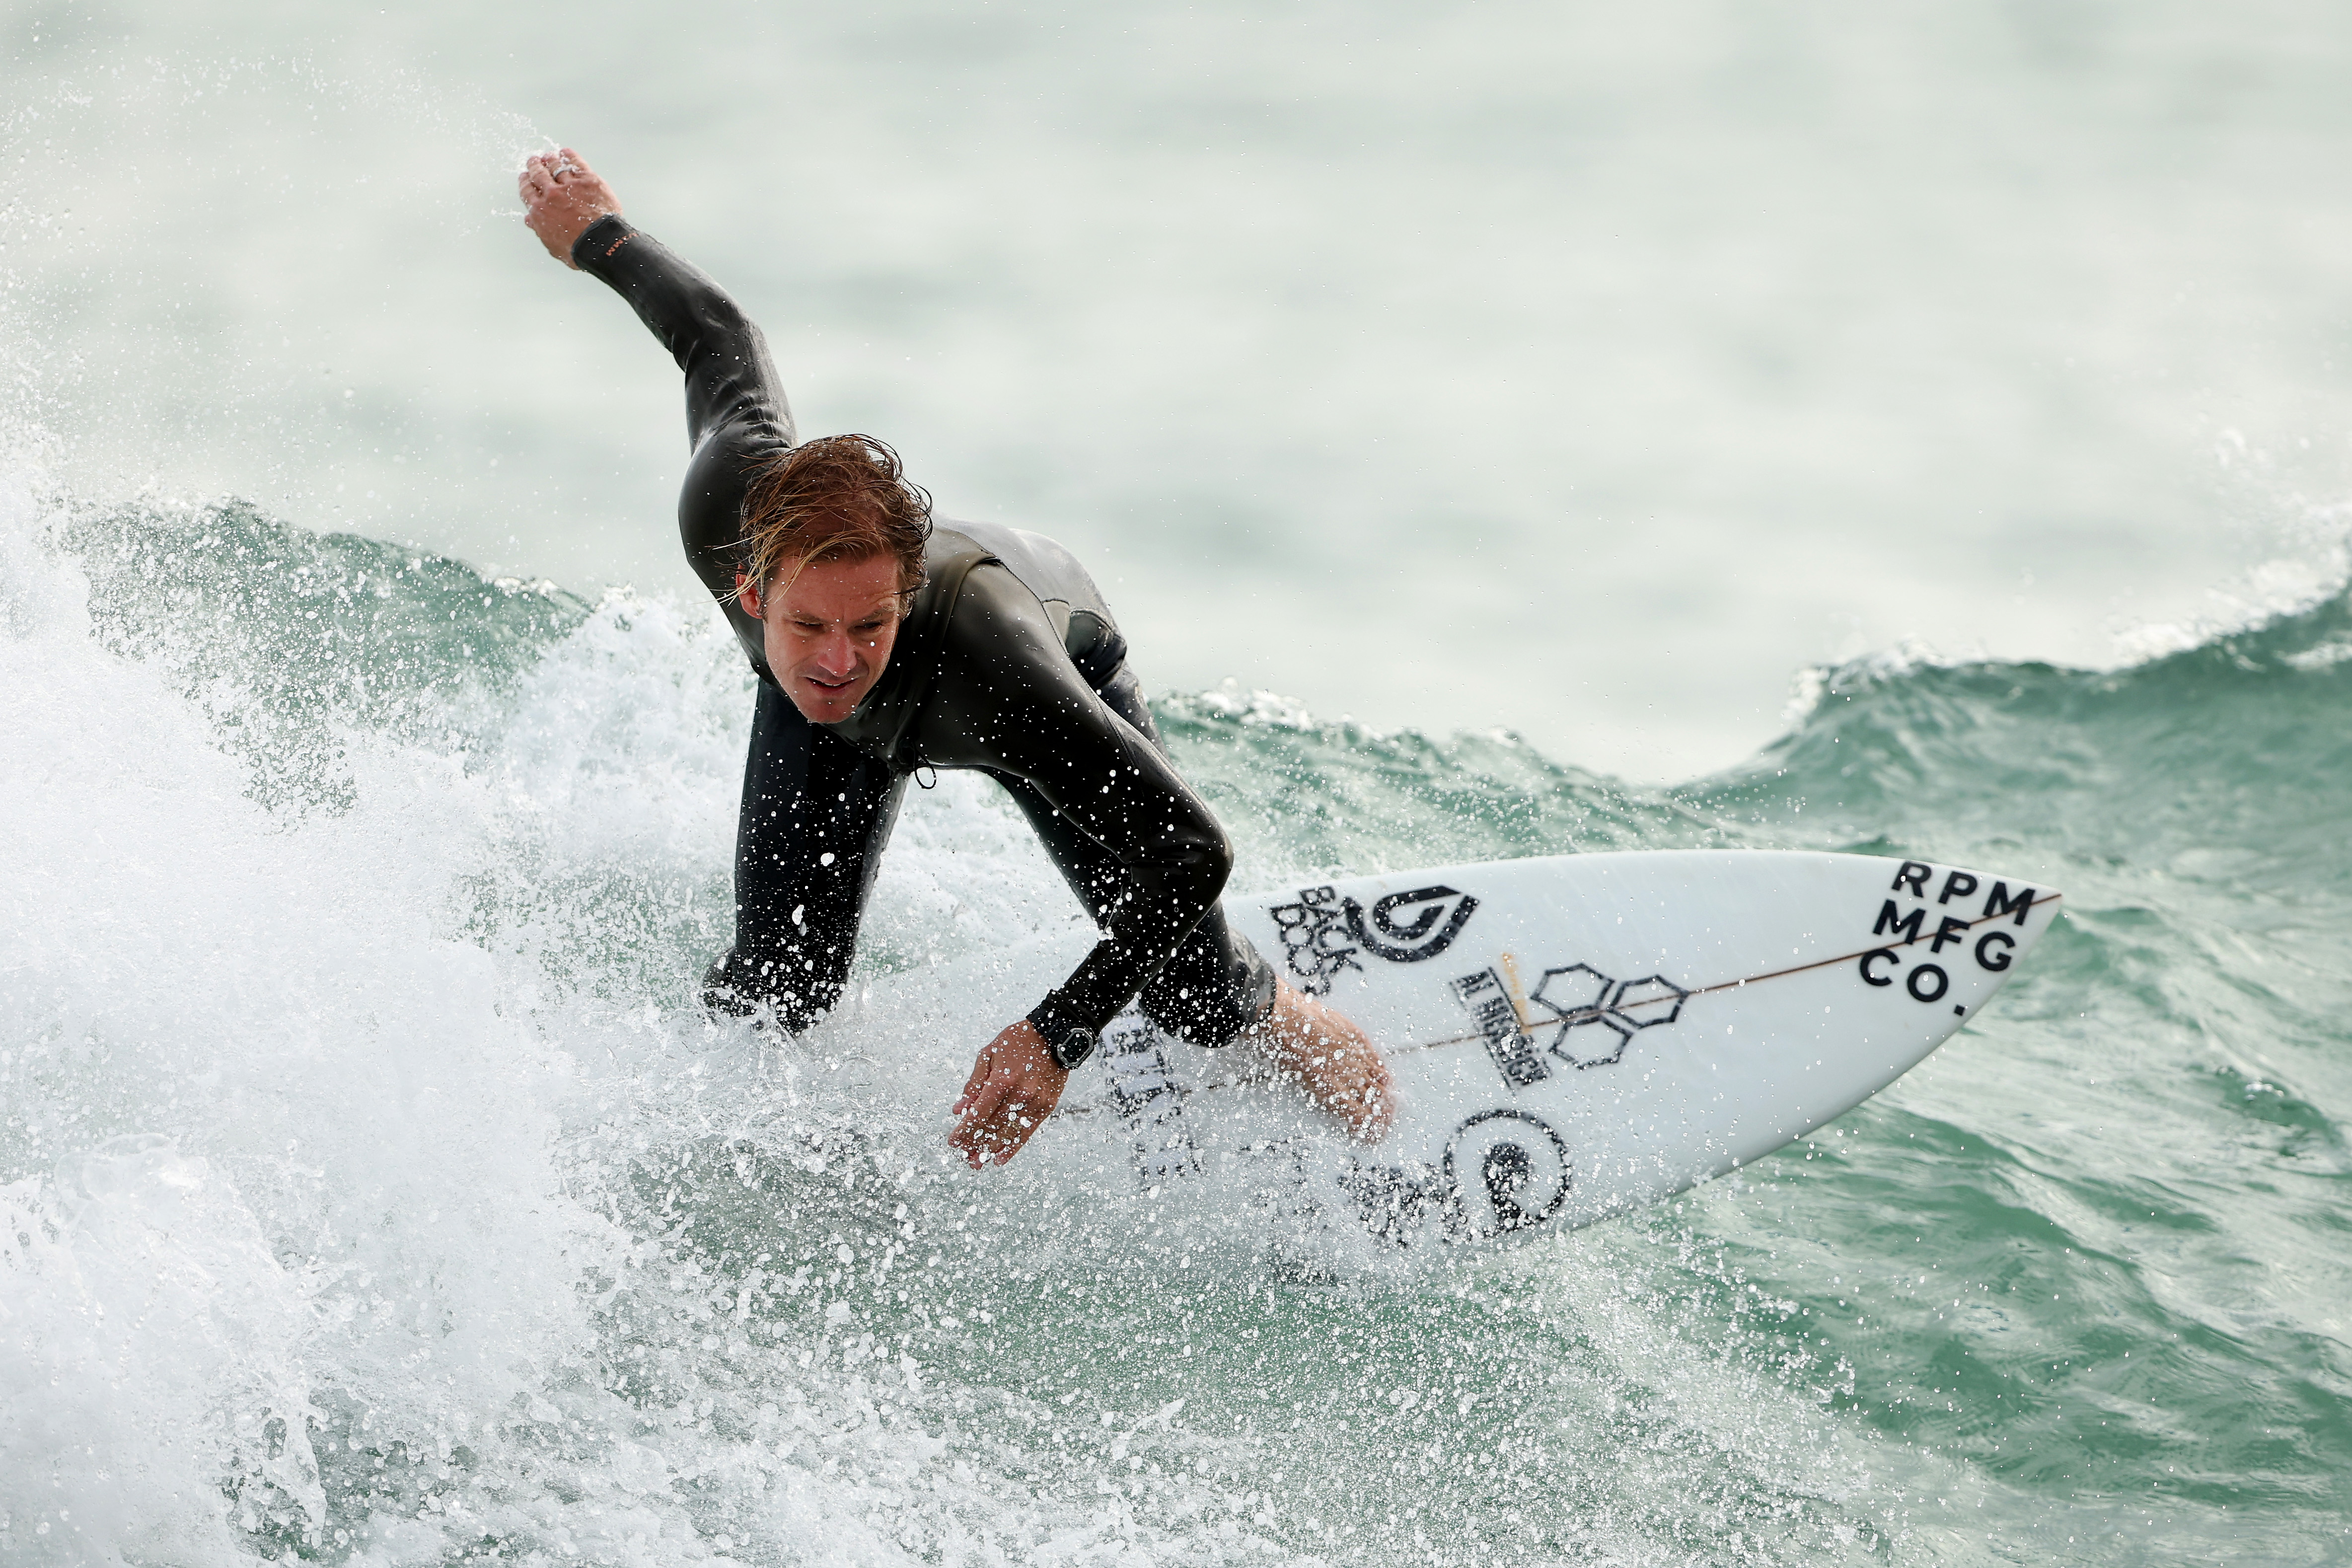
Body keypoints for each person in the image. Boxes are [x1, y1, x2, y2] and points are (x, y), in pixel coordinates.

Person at [518, 149, 1394, 1169]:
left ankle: (1291, 1018)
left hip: (1038, 650)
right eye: (808, 628)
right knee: (776, 988)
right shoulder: (728, 506)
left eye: (869, 626)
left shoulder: (996, 669)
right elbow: (718, 339)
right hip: (855, 726)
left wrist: (1058, 1032)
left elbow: (1191, 853)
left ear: (903, 597)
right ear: (753, 598)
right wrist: (596, 234)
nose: (840, 661)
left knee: (1193, 997)